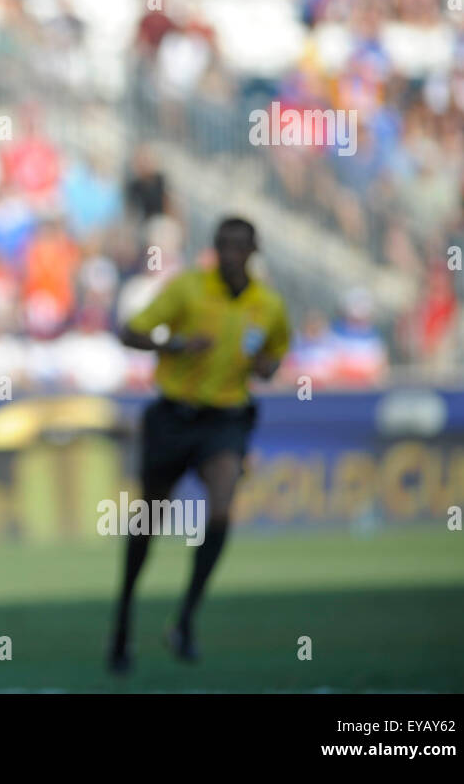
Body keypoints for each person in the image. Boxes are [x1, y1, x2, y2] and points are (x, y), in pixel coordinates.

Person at [109, 217, 290, 673]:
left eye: (238, 246)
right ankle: (123, 621)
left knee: (224, 505)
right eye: (223, 246)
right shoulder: (187, 289)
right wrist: (176, 343)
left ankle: (186, 617)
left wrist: (266, 366)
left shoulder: (267, 305)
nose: (229, 254)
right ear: (213, 248)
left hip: (225, 418)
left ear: (253, 251)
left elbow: (276, 350)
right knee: (149, 518)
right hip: (173, 414)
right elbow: (130, 332)